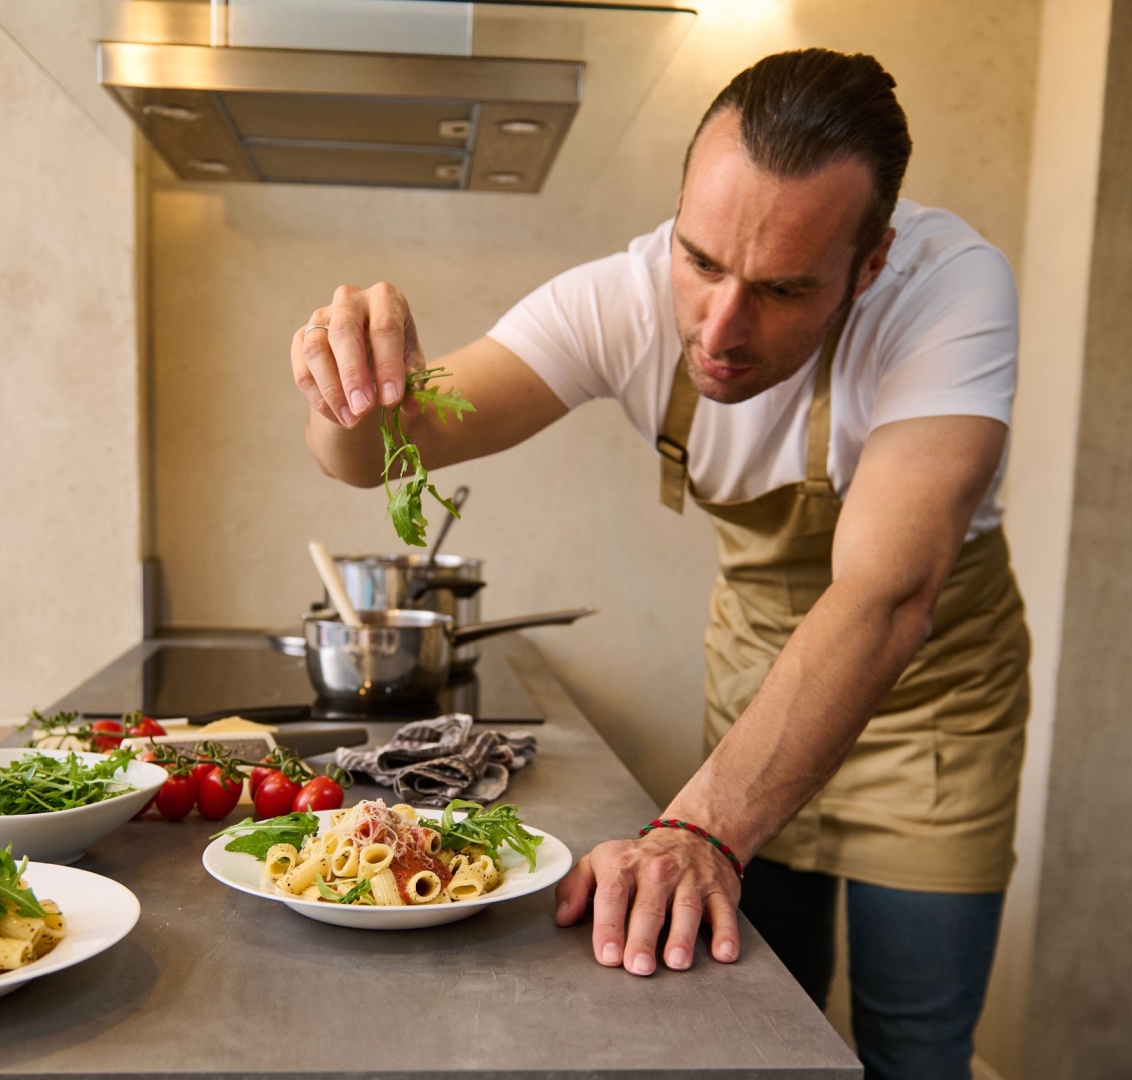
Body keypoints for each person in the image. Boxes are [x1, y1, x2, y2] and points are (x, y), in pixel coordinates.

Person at [287, 48, 1028, 1080]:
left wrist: (699, 830)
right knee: (768, 1018)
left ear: (868, 267)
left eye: (781, 289)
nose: (721, 329)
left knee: (914, 1048)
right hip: (762, 702)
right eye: (702, 262)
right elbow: (377, 456)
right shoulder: (624, 301)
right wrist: (349, 385)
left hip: (934, 726)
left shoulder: (949, 294)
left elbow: (889, 592)